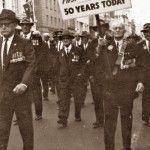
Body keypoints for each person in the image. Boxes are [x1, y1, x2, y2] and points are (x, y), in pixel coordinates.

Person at [96, 21, 144, 150]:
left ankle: (126, 146)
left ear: (124, 31)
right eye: (115, 28)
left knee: (126, 119)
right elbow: (98, 65)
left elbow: (139, 67)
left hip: (127, 88)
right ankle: (109, 147)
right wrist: (99, 48)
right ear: (111, 31)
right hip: (110, 89)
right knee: (110, 121)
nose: (117, 30)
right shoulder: (105, 46)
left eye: (120, 28)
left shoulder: (133, 46)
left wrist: (140, 81)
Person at [0, 9, 35, 150]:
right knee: (2, 131)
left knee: (26, 131)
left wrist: (24, 83)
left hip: (21, 94)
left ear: (15, 25)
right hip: (3, 95)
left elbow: (31, 65)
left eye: (7, 24)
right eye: (1, 24)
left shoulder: (24, 43)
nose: (3, 27)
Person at [54, 30, 86, 127]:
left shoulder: (78, 50)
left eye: (67, 38)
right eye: (63, 39)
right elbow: (57, 67)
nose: (65, 40)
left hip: (76, 79)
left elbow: (84, 64)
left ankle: (77, 115)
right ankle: (63, 118)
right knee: (63, 99)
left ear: (71, 40)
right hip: (64, 80)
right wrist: (57, 79)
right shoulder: (60, 52)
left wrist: (82, 74)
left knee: (77, 98)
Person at [19, 17, 49, 120]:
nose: (24, 27)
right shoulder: (18, 37)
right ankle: (21, 115)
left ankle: (38, 113)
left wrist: (36, 66)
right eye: (22, 25)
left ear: (30, 27)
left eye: (27, 25)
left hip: (34, 70)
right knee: (21, 93)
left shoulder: (36, 38)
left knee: (36, 92)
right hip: (22, 70)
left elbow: (41, 53)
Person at [137, 23, 150, 125]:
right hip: (145, 76)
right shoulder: (139, 45)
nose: (148, 34)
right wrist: (139, 79)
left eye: (149, 32)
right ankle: (146, 117)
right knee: (146, 97)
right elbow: (137, 63)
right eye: (146, 32)